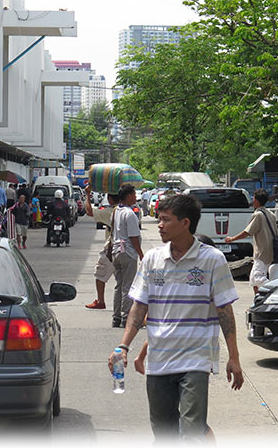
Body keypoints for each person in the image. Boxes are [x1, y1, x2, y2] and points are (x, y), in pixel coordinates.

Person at [109, 194, 243, 443]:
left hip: (196, 361)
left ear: (185, 223)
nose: (159, 225)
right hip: (159, 361)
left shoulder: (213, 260)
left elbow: (225, 311)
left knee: (192, 431)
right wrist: (124, 346)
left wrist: (234, 358)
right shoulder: (152, 259)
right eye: (159, 219)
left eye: (165, 220)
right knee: (163, 433)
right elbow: (139, 308)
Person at [225, 189, 278, 295]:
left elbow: (247, 232)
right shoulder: (271, 214)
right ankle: (257, 302)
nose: (252, 201)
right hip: (272, 250)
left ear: (257, 201)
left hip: (262, 253)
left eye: (253, 199)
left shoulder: (258, 215)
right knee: (254, 281)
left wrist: (232, 239)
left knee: (257, 277)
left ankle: (275, 289)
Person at [110, 184, 144, 327]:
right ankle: (126, 318)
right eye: (134, 194)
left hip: (116, 251)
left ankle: (116, 317)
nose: (136, 197)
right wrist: (141, 254)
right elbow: (134, 237)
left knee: (119, 285)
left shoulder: (116, 210)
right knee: (128, 286)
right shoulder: (129, 214)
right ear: (129, 196)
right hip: (127, 251)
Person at [83, 184, 120, 310]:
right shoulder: (126, 211)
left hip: (111, 248)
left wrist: (88, 195)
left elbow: (89, 212)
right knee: (123, 280)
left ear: (110, 199)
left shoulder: (110, 212)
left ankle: (100, 300)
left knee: (100, 274)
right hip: (125, 249)